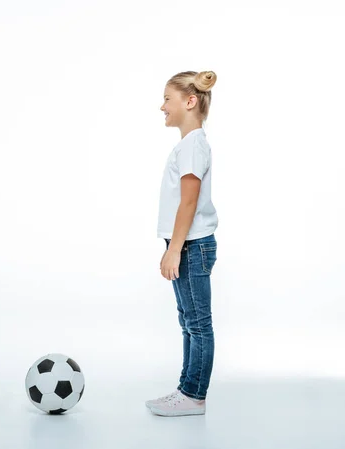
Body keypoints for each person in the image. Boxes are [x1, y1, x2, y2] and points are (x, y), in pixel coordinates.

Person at [147, 71, 219, 417]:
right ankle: (187, 389)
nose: (161, 106)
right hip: (187, 244)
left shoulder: (193, 146)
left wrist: (174, 249)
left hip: (191, 245)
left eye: (167, 99)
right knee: (189, 320)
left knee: (197, 323)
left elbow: (188, 202)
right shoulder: (189, 144)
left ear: (190, 102)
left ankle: (194, 395)